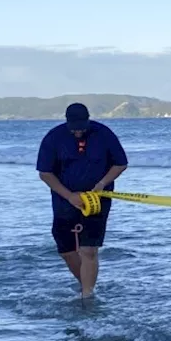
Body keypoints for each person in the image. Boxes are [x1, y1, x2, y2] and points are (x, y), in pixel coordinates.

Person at [36, 102, 129, 299]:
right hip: (64, 199)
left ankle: (88, 295)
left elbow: (120, 164)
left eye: (82, 128)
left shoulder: (104, 134)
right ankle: (84, 282)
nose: (78, 132)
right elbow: (45, 173)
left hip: (97, 198)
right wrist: (69, 196)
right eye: (74, 129)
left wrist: (103, 183)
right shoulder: (54, 138)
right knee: (66, 249)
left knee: (88, 249)